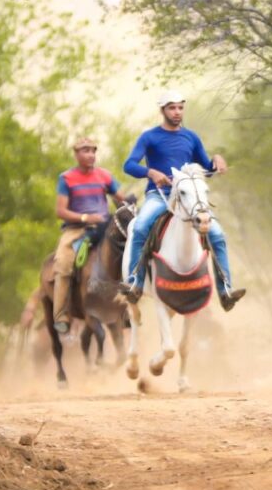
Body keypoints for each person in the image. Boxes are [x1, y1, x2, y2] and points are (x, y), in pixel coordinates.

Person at [118, 90, 246, 310]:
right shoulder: (149, 137)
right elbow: (129, 165)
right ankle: (134, 285)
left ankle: (225, 291)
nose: (177, 112)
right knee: (139, 227)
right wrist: (151, 173)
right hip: (159, 196)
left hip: (188, 198)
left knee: (216, 233)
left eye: (180, 107)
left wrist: (216, 160)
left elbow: (206, 168)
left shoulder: (191, 137)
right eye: (172, 108)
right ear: (162, 110)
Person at [52, 137, 130, 334]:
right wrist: (86, 217)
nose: (90, 155)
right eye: (85, 150)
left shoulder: (104, 176)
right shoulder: (66, 178)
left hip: (105, 227)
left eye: (93, 151)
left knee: (130, 253)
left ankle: (128, 306)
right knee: (63, 264)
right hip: (76, 230)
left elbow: (122, 198)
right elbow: (60, 211)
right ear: (76, 154)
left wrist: (128, 205)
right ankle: (61, 315)